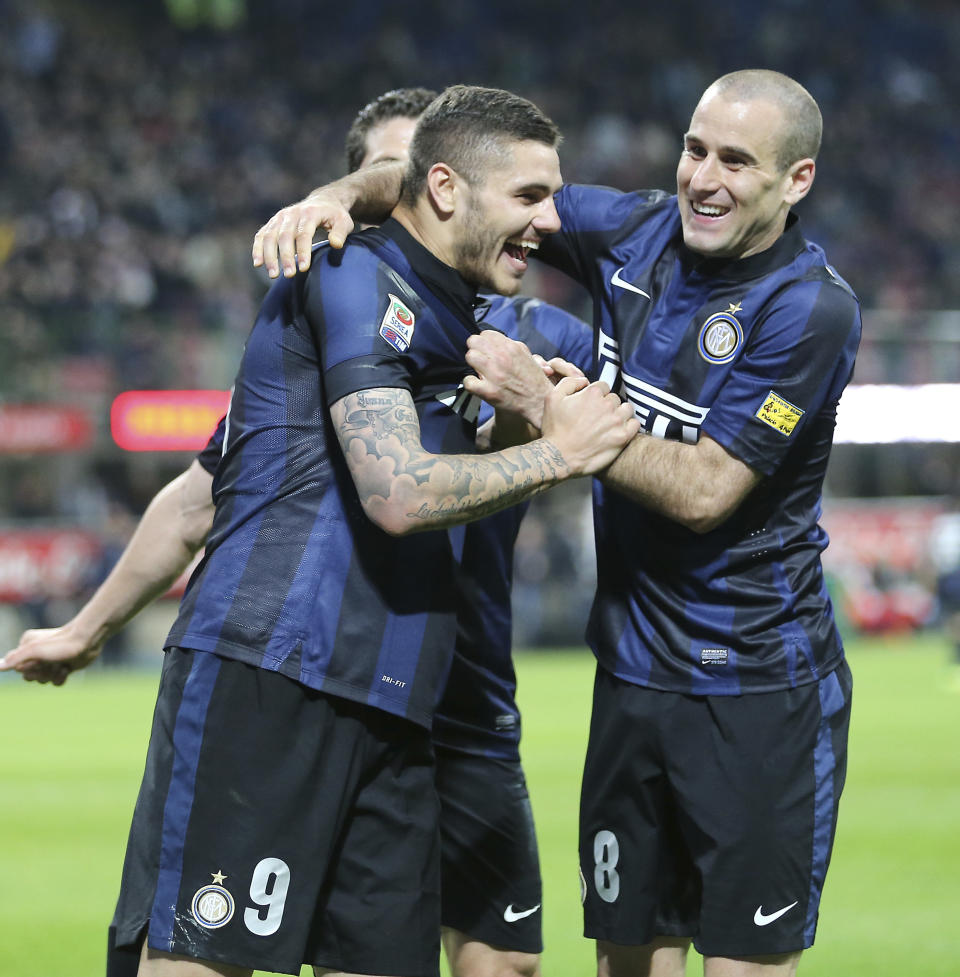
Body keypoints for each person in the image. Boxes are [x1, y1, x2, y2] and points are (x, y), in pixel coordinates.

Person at [1, 84, 640, 977]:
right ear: (441, 188)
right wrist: (558, 452)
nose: (549, 222)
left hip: (402, 704)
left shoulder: (487, 319)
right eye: (531, 198)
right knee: (198, 960)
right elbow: (387, 494)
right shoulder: (345, 274)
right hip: (273, 672)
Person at [251, 69, 862, 977]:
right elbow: (452, 179)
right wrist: (337, 194)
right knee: (627, 958)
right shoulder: (637, 229)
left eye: (737, 161)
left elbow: (705, 491)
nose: (704, 178)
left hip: (760, 689)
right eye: (696, 149)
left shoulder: (810, 310)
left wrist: (547, 404)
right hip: (630, 675)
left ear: (795, 181)